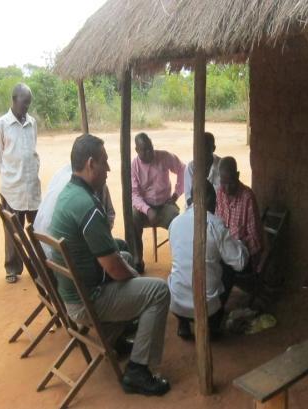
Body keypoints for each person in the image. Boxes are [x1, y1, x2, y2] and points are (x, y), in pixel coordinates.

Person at [49, 134, 171, 396]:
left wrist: (127, 269)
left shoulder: (68, 194)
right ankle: (138, 371)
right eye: (104, 162)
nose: (109, 169)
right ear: (91, 163)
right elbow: (115, 269)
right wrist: (134, 277)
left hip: (73, 293)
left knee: (125, 258)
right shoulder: (88, 206)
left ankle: (118, 338)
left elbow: (110, 259)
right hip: (87, 301)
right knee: (158, 291)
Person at [168, 181, 249, 340]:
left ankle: (183, 323)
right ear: (210, 199)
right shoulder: (215, 224)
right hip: (206, 308)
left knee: (183, 265)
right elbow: (240, 263)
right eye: (215, 200)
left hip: (176, 304)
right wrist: (240, 244)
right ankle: (213, 323)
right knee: (228, 267)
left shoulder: (174, 223)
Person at [0, 83, 41, 284]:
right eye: (23, 103)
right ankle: (12, 268)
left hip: (32, 185)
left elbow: (33, 148)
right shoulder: (1, 124)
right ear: (14, 100)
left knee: (38, 226)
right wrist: (9, 176)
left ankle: (41, 265)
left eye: (28, 104)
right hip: (12, 187)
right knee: (13, 230)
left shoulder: (32, 123)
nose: (26, 108)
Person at [131, 132, 185, 272]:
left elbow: (182, 169)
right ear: (137, 150)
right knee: (132, 218)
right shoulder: (134, 166)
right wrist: (147, 210)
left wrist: (176, 195)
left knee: (178, 222)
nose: (150, 152)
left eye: (151, 147)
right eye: (145, 150)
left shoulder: (164, 156)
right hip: (144, 208)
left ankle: (179, 262)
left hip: (165, 205)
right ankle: (137, 260)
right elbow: (134, 194)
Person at [216, 157, 264, 274]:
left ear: (237, 175)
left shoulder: (247, 197)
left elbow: (255, 239)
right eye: (223, 182)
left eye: (230, 182)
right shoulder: (219, 193)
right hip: (223, 251)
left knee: (221, 269)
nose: (227, 188)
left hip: (241, 256)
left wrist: (236, 245)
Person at [184, 132, 221, 206]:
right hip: (195, 210)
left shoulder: (222, 166)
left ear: (213, 148)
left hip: (219, 211)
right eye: (200, 147)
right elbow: (188, 199)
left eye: (206, 147)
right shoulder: (191, 167)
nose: (202, 150)